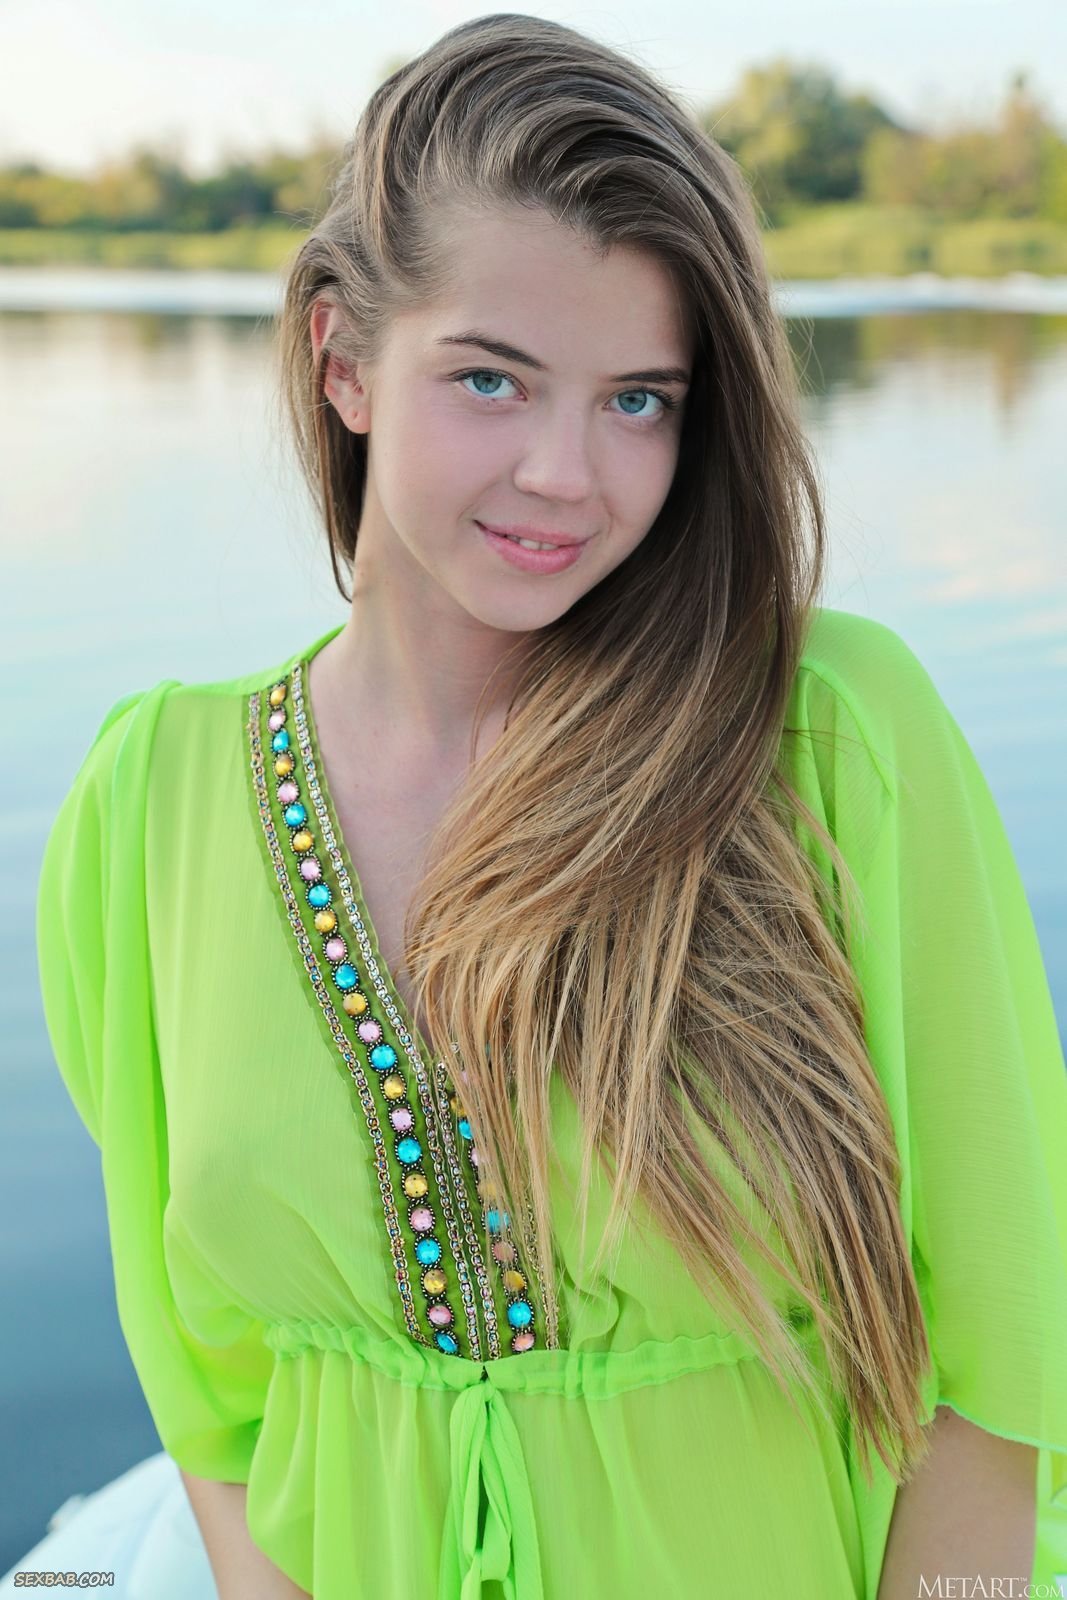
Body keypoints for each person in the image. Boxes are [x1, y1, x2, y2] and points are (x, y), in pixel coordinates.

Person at [33, 13, 1067, 1600]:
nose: (568, 476)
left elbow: (1000, 1368)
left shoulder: (825, 732)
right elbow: (217, 1411)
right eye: (492, 380)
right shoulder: (147, 807)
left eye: (638, 400)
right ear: (342, 359)